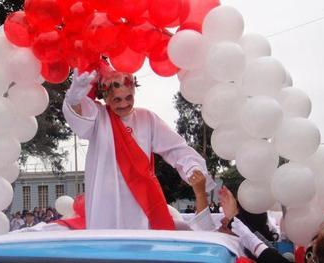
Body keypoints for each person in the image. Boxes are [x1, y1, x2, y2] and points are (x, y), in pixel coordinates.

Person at [62, 68, 215, 230]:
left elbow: (175, 148)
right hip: (106, 201)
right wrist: (74, 100)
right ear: (106, 99)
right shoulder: (98, 116)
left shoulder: (146, 118)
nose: (124, 104)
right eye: (117, 100)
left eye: (129, 97)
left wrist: (192, 167)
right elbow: (80, 118)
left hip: (141, 201)